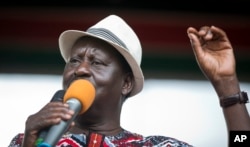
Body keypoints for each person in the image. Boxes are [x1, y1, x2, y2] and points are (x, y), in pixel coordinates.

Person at [8, 14, 250, 147]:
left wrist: (226, 84)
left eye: (96, 62)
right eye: (74, 60)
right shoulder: (27, 140)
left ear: (126, 83)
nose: (80, 69)